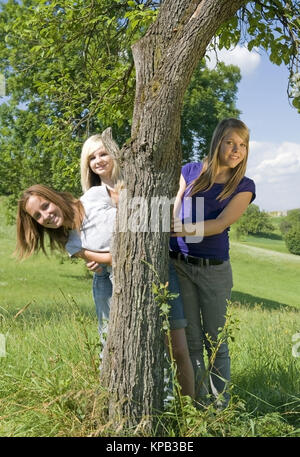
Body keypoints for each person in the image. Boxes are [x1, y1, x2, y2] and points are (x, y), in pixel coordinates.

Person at [79, 129, 195, 398]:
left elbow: (163, 220)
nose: (98, 160)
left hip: (158, 268)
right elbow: (83, 243)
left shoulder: (139, 184)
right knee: (114, 344)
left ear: (115, 154)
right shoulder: (89, 200)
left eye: (103, 153)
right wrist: (91, 261)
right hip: (109, 279)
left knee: (176, 345)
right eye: (92, 158)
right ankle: (113, 405)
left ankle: (186, 412)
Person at [170, 118, 256, 408]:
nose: (236, 149)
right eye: (230, 142)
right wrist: (169, 224)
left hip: (214, 271)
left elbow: (220, 224)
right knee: (192, 342)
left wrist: (178, 229)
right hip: (181, 265)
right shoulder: (190, 170)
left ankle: (220, 410)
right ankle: (198, 406)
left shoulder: (244, 185)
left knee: (216, 344)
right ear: (218, 141)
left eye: (242, 145)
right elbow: (175, 203)